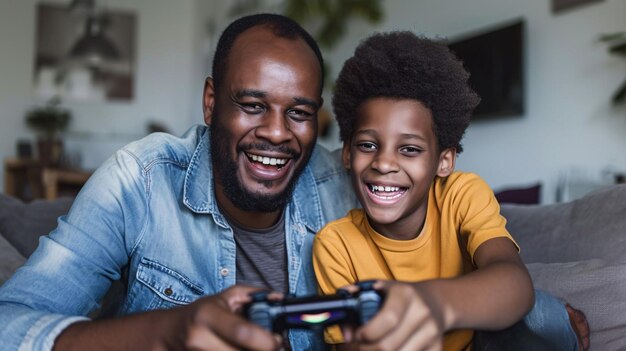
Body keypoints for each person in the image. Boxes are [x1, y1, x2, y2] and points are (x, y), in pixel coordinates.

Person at [0, 14, 358, 351]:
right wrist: (164, 333)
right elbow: (10, 323)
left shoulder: (344, 189)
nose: (278, 133)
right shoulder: (139, 180)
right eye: (252, 105)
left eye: (299, 113)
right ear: (211, 102)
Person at [313, 31, 590, 350]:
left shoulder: (461, 193)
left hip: (487, 332)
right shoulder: (334, 244)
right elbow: (343, 344)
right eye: (367, 145)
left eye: (409, 149)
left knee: (533, 315)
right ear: (347, 154)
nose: (384, 162)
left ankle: (565, 327)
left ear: (444, 161)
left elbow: (513, 280)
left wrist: (430, 303)